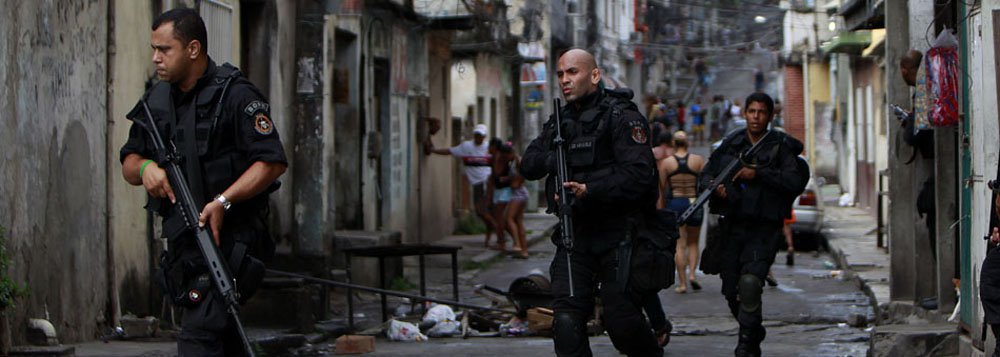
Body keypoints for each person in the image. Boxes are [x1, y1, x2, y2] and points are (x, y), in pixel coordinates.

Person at [120, 8, 287, 355]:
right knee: (225, 342)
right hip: (186, 248)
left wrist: (223, 201)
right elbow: (129, 161)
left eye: (165, 50)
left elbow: (271, 162)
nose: (155, 58)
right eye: (154, 49)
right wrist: (147, 167)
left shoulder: (236, 96)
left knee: (198, 341)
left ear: (193, 49)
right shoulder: (157, 101)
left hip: (231, 242)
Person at [522, 49, 663, 356]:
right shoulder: (559, 123)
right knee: (567, 322)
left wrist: (590, 188)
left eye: (572, 72)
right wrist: (557, 164)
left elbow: (639, 175)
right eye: (560, 74)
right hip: (576, 235)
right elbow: (528, 163)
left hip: (618, 235)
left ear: (594, 75)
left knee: (621, 321)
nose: (564, 80)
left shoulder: (621, 116)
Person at [700, 92, 808, 357]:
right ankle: (752, 328)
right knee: (730, 289)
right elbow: (706, 175)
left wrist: (758, 173)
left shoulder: (780, 147)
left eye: (761, 112)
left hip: (764, 228)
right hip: (732, 226)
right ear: (745, 113)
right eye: (752, 111)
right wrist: (717, 188)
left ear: (770, 116)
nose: (756, 117)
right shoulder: (732, 142)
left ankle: (746, 346)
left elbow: (794, 182)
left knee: (750, 283)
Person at [427, 124, 500, 249]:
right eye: (476, 135)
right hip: (477, 184)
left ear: (484, 137)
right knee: (483, 213)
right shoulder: (466, 146)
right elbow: (450, 151)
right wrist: (433, 151)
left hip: (487, 183)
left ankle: (499, 233)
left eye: (481, 136)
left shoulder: (489, 148)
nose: (478, 138)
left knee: (482, 212)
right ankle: (493, 237)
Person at [657, 131, 706, 294]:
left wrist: (661, 210)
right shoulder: (698, 160)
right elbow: (705, 183)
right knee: (693, 243)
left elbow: (662, 188)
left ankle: (683, 283)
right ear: (687, 143)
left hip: (676, 203)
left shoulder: (667, 163)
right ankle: (692, 275)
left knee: (680, 244)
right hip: (694, 202)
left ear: (673, 143)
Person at [498, 142, 530, 258]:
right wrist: (507, 179)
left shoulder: (518, 161)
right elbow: (515, 176)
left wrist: (515, 183)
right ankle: (524, 250)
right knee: (518, 221)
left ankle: (517, 244)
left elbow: (522, 176)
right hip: (519, 193)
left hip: (518, 193)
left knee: (509, 218)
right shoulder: (513, 162)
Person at [487, 138, 512, 252]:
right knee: (499, 217)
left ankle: (502, 242)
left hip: (504, 190)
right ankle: (503, 240)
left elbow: (496, 174)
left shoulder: (500, 158)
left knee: (500, 218)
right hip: (499, 190)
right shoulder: (495, 158)